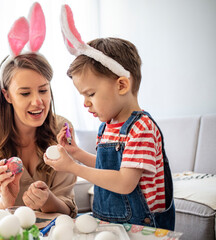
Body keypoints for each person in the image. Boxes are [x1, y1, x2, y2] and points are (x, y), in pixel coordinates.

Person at [44, 5, 175, 230]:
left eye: (91, 94)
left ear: (122, 85)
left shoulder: (140, 128)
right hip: (112, 223)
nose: (85, 103)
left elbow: (125, 182)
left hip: (143, 228)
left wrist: (73, 168)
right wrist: (76, 154)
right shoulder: (108, 126)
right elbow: (109, 169)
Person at [0, 53, 78, 217]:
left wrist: (47, 199)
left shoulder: (62, 130)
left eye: (43, 90)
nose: (37, 101)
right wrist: (3, 202)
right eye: (25, 93)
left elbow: (68, 211)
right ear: (7, 95)